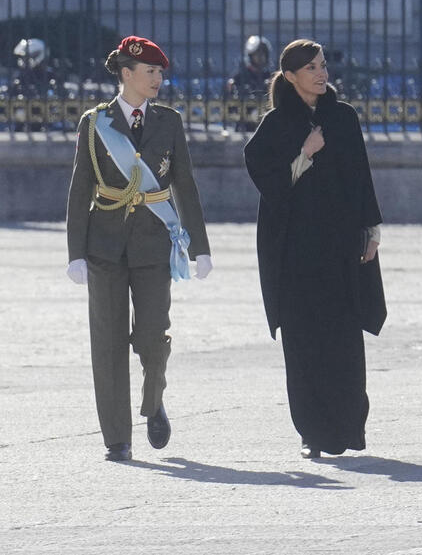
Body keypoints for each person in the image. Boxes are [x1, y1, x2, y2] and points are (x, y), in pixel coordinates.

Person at [65, 35, 213, 462]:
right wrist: (75, 252)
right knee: (107, 342)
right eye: (150, 72)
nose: (158, 80)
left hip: (154, 243)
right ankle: (117, 437)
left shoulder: (169, 121)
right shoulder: (96, 123)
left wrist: (199, 246)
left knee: (152, 336)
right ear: (126, 74)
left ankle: (153, 400)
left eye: (160, 72)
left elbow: (184, 185)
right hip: (104, 245)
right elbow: (80, 189)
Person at [244, 39, 386, 459]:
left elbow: (361, 176)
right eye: (311, 69)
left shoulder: (343, 118)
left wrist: (372, 230)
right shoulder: (276, 124)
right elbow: (268, 182)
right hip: (295, 253)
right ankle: (312, 432)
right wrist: (304, 154)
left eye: (323, 65)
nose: (321, 74)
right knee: (304, 345)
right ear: (290, 77)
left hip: (341, 248)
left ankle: (347, 427)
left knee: (343, 341)